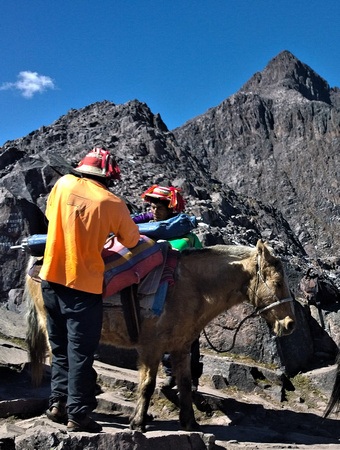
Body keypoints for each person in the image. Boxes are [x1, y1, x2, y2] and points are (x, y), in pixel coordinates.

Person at [39, 148, 140, 433]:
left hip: (50, 278)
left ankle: (57, 403)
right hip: (83, 288)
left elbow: (50, 215)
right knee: (81, 353)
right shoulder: (112, 202)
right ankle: (78, 414)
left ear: (82, 169)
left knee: (59, 349)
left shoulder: (63, 184)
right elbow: (131, 240)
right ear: (109, 176)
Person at [133, 184, 203, 391]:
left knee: (189, 337)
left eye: (159, 208)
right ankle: (171, 374)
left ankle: (191, 378)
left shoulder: (187, 238)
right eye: (153, 207)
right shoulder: (144, 230)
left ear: (171, 210)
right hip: (155, 293)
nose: (154, 211)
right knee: (160, 334)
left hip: (183, 296)